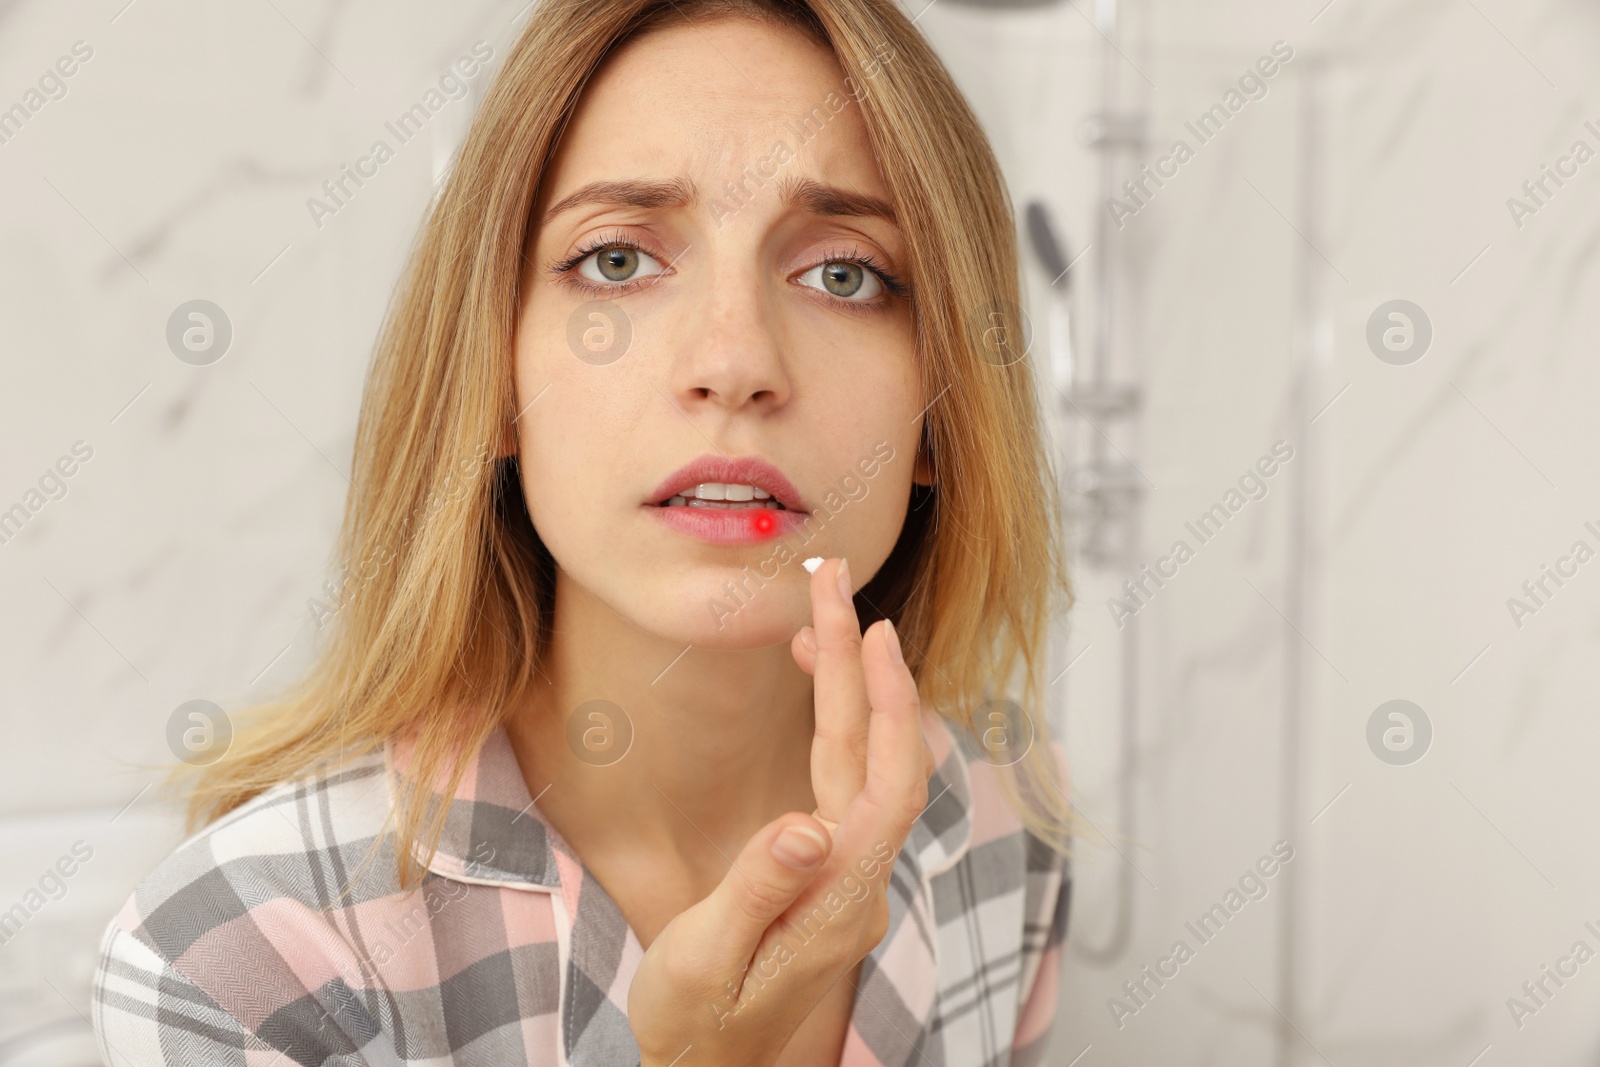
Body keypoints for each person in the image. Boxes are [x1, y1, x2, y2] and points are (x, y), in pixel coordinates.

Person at [91, 1, 1074, 1063]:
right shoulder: (238, 958)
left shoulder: (998, 818)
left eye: (843, 273)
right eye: (616, 262)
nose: (733, 358)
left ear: (942, 410)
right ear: (496, 381)